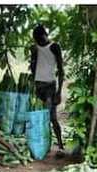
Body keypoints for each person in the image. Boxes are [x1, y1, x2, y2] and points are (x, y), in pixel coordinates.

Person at [29, 24, 65, 153]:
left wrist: (59, 92)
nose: (38, 42)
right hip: (38, 86)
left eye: (39, 39)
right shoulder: (35, 48)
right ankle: (44, 144)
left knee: (52, 117)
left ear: (45, 35)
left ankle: (60, 145)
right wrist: (32, 84)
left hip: (50, 86)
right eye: (36, 40)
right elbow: (32, 68)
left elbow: (61, 71)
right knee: (39, 117)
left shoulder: (55, 47)